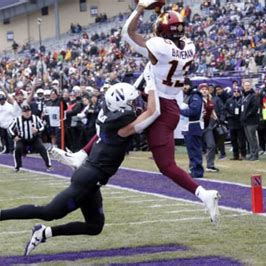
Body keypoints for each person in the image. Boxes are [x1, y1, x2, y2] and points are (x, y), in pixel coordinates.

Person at [53, 4, 221, 224]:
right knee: (113, 122)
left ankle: (203, 194)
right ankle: (81, 155)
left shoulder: (160, 47)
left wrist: (140, 8)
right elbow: (168, 38)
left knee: (165, 164)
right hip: (165, 102)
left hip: (158, 107)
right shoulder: (189, 45)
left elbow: (128, 33)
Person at [0, 83, 169, 256]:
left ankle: (43, 233)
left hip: (91, 176)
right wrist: (153, 84)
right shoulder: (121, 127)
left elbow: (143, 108)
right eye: (131, 102)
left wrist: (148, 86)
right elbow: (153, 111)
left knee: (94, 227)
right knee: (49, 212)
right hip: (88, 179)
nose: (135, 106)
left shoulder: (111, 118)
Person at [8, 103, 52, 172]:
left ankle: (48, 165)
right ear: (22, 112)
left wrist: (37, 130)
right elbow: (10, 128)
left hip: (34, 138)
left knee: (42, 148)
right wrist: (14, 136)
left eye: (28, 111)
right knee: (17, 149)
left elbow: (43, 126)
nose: (27, 113)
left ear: (30, 111)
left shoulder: (35, 118)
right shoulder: (17, 120)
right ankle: (17, 167)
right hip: (22, 139)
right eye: (25, 112)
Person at [180, 79, 205, 178]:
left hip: (194, 127)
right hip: (188, 127)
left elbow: (193, 112)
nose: (184, 87)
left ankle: (197, 171)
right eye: (182, 85)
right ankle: (193, 169)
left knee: (195, 150)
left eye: (186, 85)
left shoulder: (195, 96)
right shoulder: (188, 96)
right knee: (191, 151)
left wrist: (179, 111)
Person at [240, 81, 260, 161]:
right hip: (245, 121)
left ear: (251, 86)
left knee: (252, 138)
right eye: (246, 85)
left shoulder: (253, 96)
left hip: (251, 121)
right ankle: (252, 153)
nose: (247, 87)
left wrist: (247, 115)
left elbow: (255, 107)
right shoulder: (244, 96)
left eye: (248, 85)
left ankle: (255, 154)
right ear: (243, 87)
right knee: (249, 139)